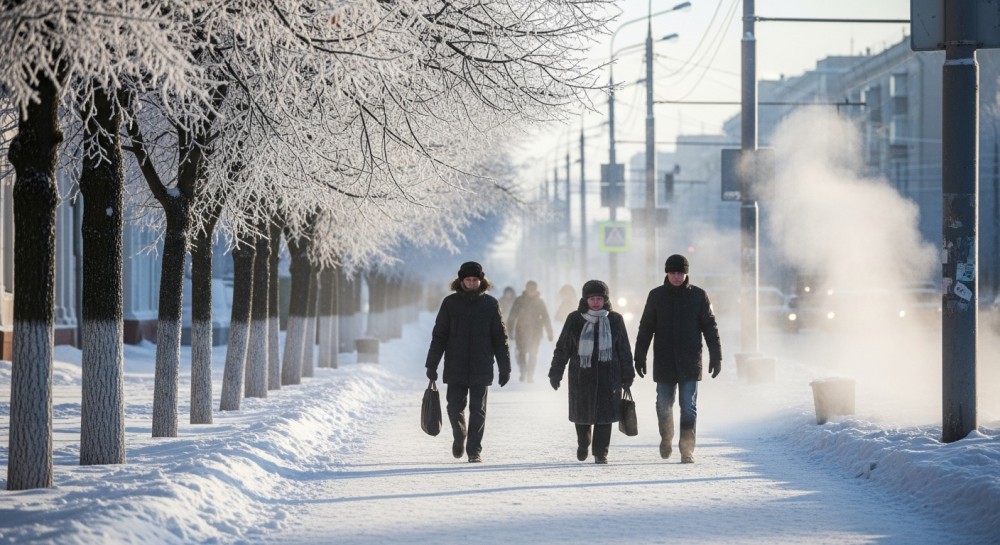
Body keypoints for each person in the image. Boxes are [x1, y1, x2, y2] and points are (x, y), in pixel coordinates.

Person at [633, 254, 722, 464]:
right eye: (673, 272)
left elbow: (710, 327)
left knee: (688, 405)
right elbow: (646, 328)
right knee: (663, 405)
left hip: (690, 360)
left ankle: (687, 449)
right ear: (666, 273)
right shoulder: (656, 296)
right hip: (664, 360)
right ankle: (666, 437)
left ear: (686, 273)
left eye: (680, 273)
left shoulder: (699, 296)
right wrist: (640, 356)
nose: (676, 276)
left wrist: (716, 356)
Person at [425, 261, 512, 463]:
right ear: (461, 281)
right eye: (468, 280)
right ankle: (460, 435)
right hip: (455, 364)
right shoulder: (450, 303)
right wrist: (432, 364)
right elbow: (439, 336)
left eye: (475, 280)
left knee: (478, 410)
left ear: (481, 281)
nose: (472, 283)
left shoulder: (490, 304)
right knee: (454, 407)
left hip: (482, 365)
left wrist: (504, 367)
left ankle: (474, 451)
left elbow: (500, 338)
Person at [548, 280, 635, 464]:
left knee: (605, 417)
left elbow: (624, 349)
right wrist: (556, 372)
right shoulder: (574, 319)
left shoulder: (615, 319)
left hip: (609, 376)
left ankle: (601, 452)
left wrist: (628, 375)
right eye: (592, 298)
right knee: (582, 416)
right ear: (585, 299)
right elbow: (563, 347)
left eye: (599, 298)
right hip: (581, 376)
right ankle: (583, 443)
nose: (596, 302)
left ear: (605, 299)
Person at [506, 280, 554, 382]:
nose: (531, 291)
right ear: (526, 289)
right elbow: (512, 316)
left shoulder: (540, 302)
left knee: (533, 354)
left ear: (536, 290)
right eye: (529, 289)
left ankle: (530, 375)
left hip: (536, 332)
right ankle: (523, 372)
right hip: (521, 332)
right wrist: (509, 331)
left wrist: (549, 332)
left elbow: (546, 317)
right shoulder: (519, 300)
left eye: (533, 289)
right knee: (521, 353)